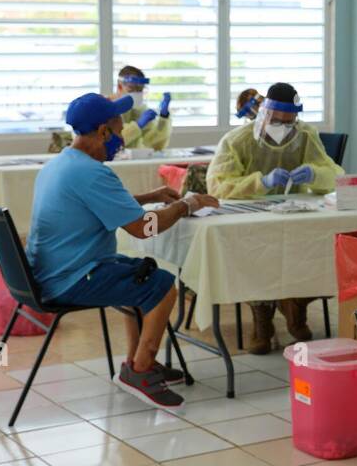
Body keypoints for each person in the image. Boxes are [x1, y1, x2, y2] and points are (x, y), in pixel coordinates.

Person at [27, 93, 218, 409]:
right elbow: (145, 228)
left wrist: (149, 196)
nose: (122, 138)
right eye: (119, 130)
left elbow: (100, 204)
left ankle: (135, 360)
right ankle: (140, 370)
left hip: (53, 271)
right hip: (70, 278)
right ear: (103, 132)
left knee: (138, 274)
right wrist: (187, 204)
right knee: (162, 286)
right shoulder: (92, 172)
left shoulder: (63, 162)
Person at [206, 82, 344, 354]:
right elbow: (218, 187)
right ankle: (262, 315)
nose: (282, 126)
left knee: (315, 250)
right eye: (276, 120)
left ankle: (296, 305)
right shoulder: (237, 141)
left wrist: (316, 175)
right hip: (248, 221)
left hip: (296, 217)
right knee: (255, 256)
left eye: (288, 122)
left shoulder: (305, 135)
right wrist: (260, 182)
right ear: (263, 113)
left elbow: (336, 175)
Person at [116, 65, 173, 151]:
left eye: (140, 90)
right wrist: (137, 126)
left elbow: (156, 145)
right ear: (120, 87)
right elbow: (113, 142)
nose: (137, 94)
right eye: (131, 89)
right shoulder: (110, 110)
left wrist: (163, 117)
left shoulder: (141, 110)